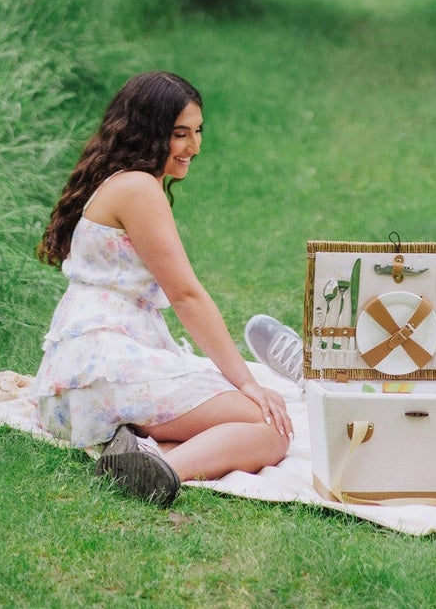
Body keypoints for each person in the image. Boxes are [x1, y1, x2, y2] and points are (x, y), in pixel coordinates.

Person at [30, 70, 292, 506]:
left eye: (198, 131)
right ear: (147, 132)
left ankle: (139, 453)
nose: (195, 146)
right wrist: (246, 383)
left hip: (78, 381)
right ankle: (158, 470)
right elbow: (186, 296)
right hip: (104, 369)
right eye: (180, 134)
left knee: (252, 418)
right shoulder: (138, 188)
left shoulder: (118, 181)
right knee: (271, 427)